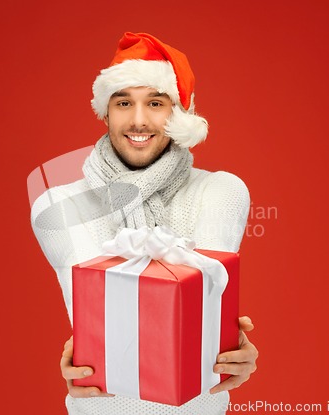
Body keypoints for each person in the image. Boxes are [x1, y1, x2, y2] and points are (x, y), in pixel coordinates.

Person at [31, 32, 258, 415]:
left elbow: (199, 297)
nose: (138, 120)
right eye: (123, 103)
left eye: (155, 102)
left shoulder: (221, 190)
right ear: (105, 112)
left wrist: (235, 346)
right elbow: (113, 313)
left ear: (178, 113)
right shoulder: (58, 204)